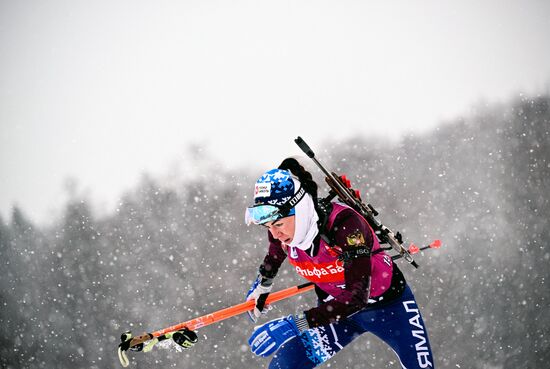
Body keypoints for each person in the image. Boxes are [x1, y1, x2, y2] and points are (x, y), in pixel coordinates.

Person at [244, 158, 435, 369]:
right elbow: (273, 256)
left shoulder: (346, 225)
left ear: (301, 209)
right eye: (267, 226)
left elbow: (357, 297)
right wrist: (262, 285)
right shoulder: (281, 234)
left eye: (278, 224)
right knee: (284, 366)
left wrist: (294, 324)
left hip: (389, 307)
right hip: (334, 313)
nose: (275, 233)